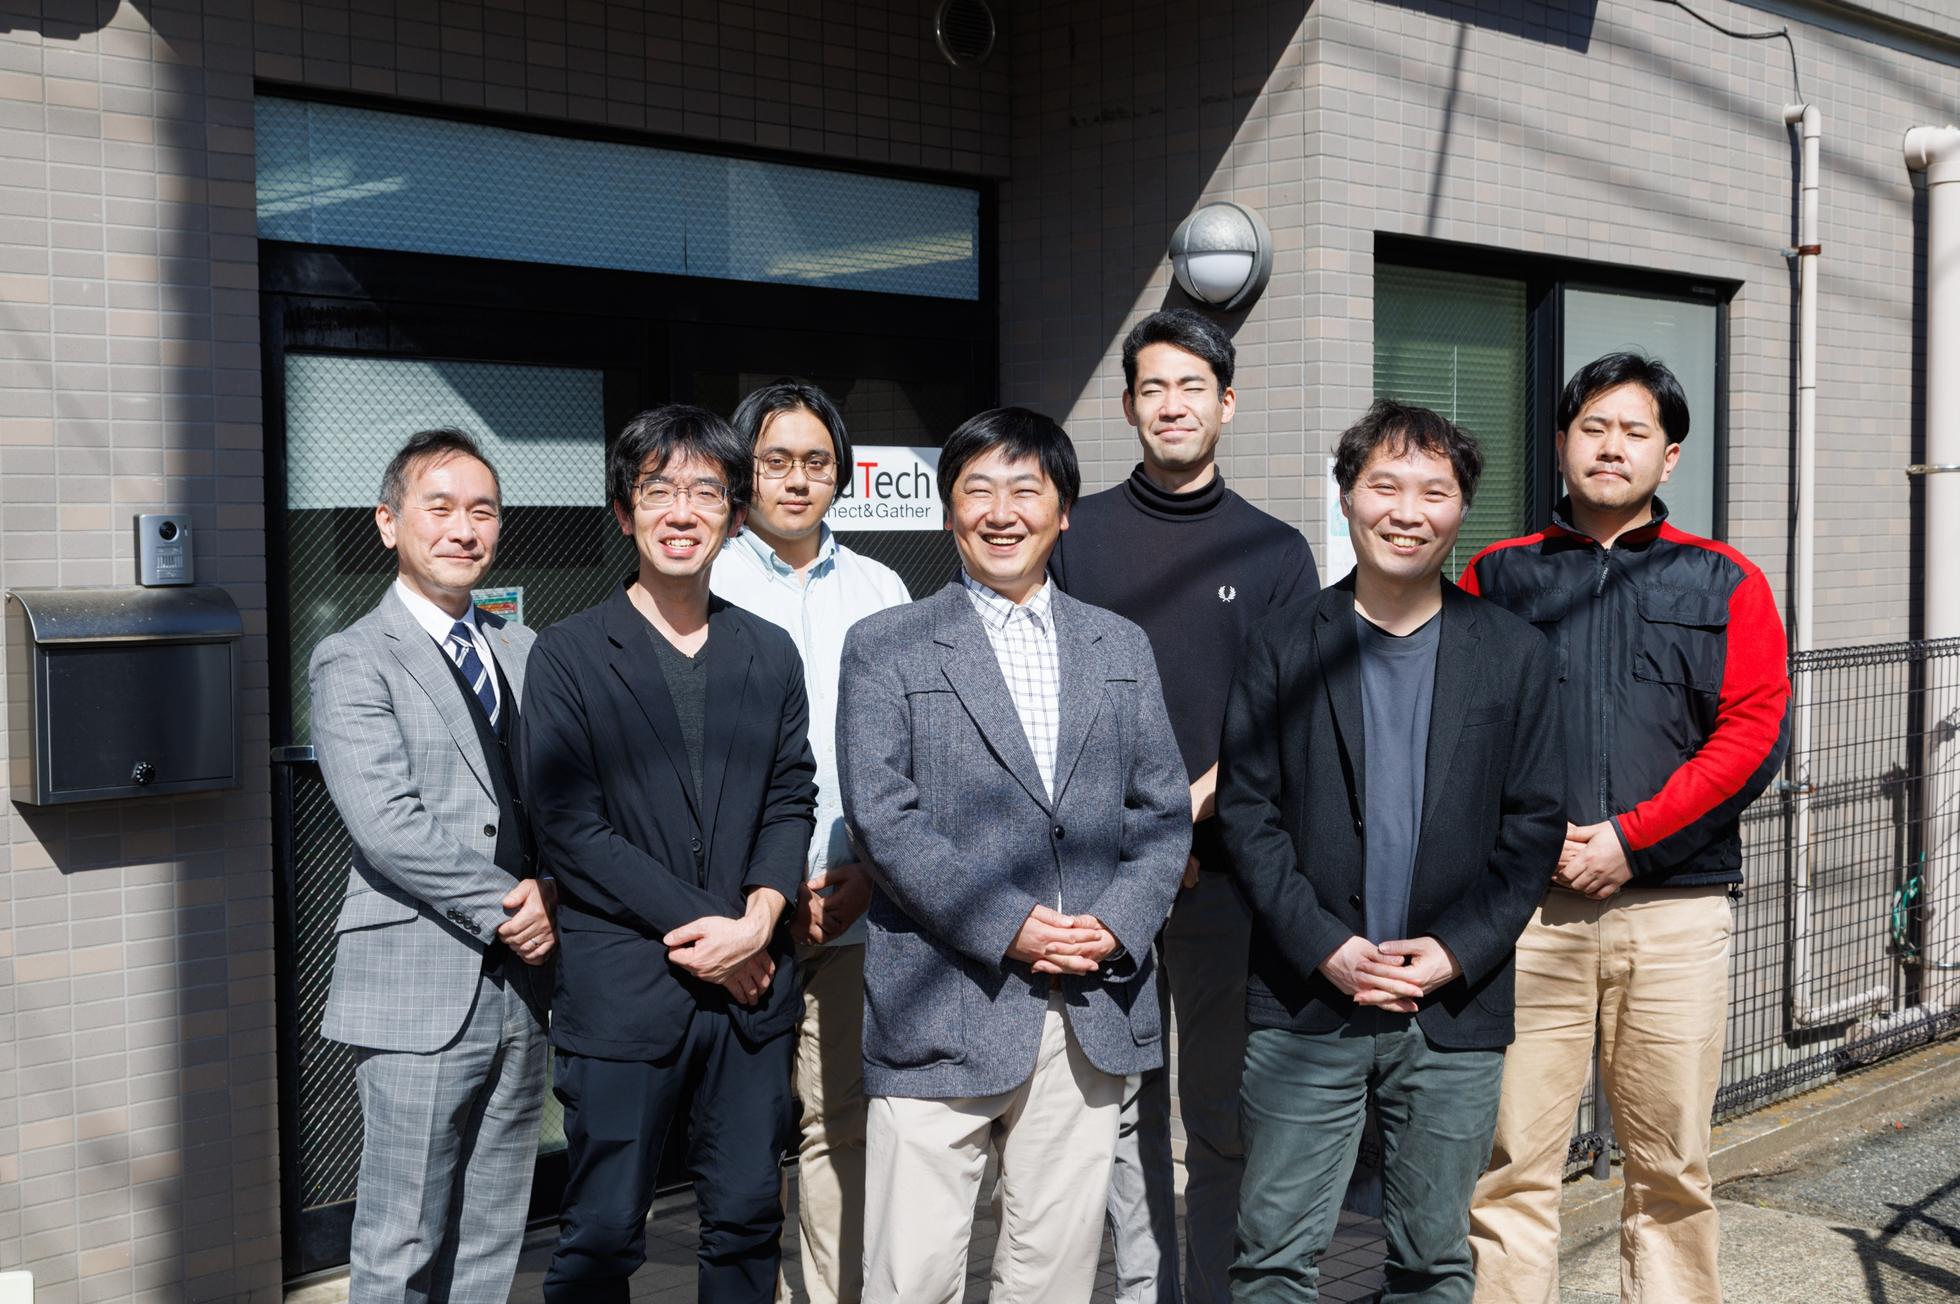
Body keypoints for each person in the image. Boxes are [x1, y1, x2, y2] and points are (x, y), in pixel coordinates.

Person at [838, 407, 1190, 1304]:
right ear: (948, 510)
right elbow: (883, 820)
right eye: (978, 490)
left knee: (1054, 1275)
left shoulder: (1119, 644)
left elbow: (1161, 814)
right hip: (939, 1002)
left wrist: (1116, 925)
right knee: (910, 1276)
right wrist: (1011, 926)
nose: (1002, 512)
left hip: (1089, 1003)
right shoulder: (886, 644)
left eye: (1025, 490)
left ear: (1062, 511)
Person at [1217, 399, 1566, 1303]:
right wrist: (1324, 945)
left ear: (1462, 509)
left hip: (1452, 1005)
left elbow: (1533, 827)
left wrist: (1455, 950)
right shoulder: (1283, 642)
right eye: (1385, 486)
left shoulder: (1513, 652)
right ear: (1346, 498)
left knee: (1434, 1259)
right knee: (1274, 1259)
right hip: (1308, 998)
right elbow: (1248, 813)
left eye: (1433, 491)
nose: (1407, 511)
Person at [1463, 353, 1791, 1304]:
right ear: (1562, 442)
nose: (1612, 447)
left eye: (1634, 430)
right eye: (1593, 427)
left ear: (1669, 454)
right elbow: (1462, 734)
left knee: (1672, 1168)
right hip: (1529, 918)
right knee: (1511, 1166)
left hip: (1674, 916)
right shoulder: (1497, 575)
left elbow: (1752, 731)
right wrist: (1536, 844)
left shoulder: (1724, 579)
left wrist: (1631, 839)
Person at [1050, 307, 1318, 1304]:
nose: (1172, 404)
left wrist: (1181, 820)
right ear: (1128, 407)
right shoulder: (1074, 536)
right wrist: (1144, 833)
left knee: (1216, 1116)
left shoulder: (1275, 551)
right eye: (1152, 387)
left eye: (1191, 386)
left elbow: (1287, 718)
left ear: (1227, 403)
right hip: (1097, 878)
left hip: (1222, 881)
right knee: (1110, 1114)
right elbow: (1050, 699)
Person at [523, 405, 818, 1303]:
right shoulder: (567, 654)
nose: (681, 512)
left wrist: (761, 918)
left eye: (706, 492)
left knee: (747, 1219)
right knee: (603, 1231)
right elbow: (570, 829)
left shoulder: (769, 652)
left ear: (736, 514)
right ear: (625, 512)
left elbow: (790, 794)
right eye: (658, 492)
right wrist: (724, 935)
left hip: (751, 992)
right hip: (625, 987)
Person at [311, 427, 556, 1304]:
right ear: (389, 522)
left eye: (482, 511)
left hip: (526, 986)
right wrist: (513, 907)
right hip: (418, 983)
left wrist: (556, 891)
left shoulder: (526, 648)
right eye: (440, 507)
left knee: (493, 1230)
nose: (463, 528)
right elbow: (387, 824)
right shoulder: (352, 657)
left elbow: (562, 803)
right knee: (402, 1235)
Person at [709, 379, 911, 1304]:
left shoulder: (882, 588)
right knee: (744, 1136)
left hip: (855, 901)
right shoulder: (705, 578)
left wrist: (870, 868)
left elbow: (909, 750)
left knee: (841, 1126)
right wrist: (757, 896)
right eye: (776, 461)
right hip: (738, 919)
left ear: (842, 474)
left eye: (816, 462)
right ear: (744, 471)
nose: (797, 480)